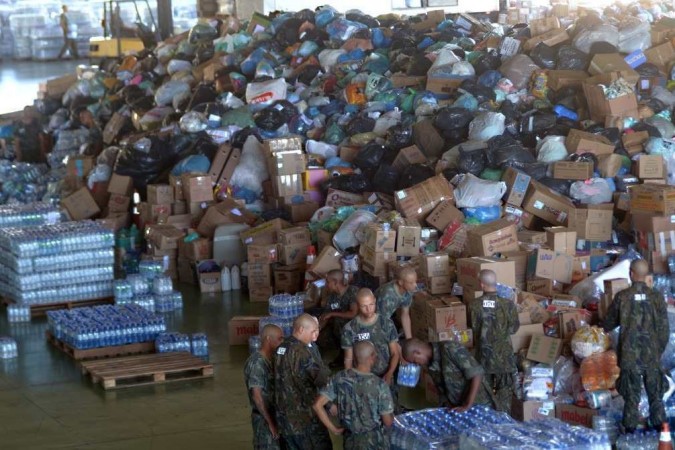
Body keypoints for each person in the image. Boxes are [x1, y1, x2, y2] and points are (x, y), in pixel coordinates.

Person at [603, 259, 670, 433]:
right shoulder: (656, 297)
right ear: (646, 275)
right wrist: (657, 351)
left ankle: (630, 432)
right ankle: (661, 430)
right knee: (656, 395)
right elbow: (664, 330)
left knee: (631, 396)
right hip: (651, 354)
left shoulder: (622, 297)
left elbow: (608, 323)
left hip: (629, 354)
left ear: (631, 273)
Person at [313, 341, 394, 450]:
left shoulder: (339, 377)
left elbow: (317, 405)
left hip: (350, 439)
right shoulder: (379, 385)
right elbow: (387, 421)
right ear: (371, 357)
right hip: (375, 440)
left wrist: (334, 429)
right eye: (375, 354)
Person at [274, 314, 333, 449]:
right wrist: (330, 403)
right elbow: (322, 380)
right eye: (313, 331)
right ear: (301, 329)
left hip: (285, 420)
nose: (315, 336)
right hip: (305, 420)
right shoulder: (303, 352)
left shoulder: (280, 349)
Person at [468, 269, 519, 413]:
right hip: (504, 356)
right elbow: (514, 328)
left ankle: (486, 420)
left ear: (481, 284)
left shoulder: (474, 305)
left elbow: (473, 327)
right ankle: (503, 421)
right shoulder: (508, 305)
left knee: (484, 393)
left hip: (483, 356)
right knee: (505, 392)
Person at [401, 338, 494, 412]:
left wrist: (467, 405)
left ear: (417, 353)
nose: (416, 364)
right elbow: (442, 390)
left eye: (414, 361)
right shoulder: (430, 365)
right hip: (460, 409)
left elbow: (477, 374)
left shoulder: (449, 348)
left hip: (479, 405)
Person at [341, 289, 400, 405]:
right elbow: (348, 358)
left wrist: (389, 374)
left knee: (391, 410)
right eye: (364, 306)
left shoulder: (386, 324)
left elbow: (395, 353)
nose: (369, 309)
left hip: (385, 375)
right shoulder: (350, 329)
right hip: (362, 379)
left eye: (371, 304)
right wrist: (350, 380)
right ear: (357, 306)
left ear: (375, 301)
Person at [244, 324, 284, 450]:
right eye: (279, 338)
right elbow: (257, 397)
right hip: (264, 419)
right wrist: (270, 423)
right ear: (268, 339)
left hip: (275, 415)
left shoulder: (272, 359)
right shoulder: (257, 363)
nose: (282, 342)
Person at [317, 270, 358, 368]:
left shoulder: (352, 291)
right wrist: (316, 330)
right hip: (340, 329)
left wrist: (332, 314)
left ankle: (348, 355)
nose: (326, 284)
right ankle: (342, 352)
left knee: (338, 321)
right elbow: (325, 316)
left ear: (335, 282)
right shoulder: (332, 297)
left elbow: (353, 313)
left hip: (356, 327)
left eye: (328, 282)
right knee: (322, 336)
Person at [373, 267, 417, 339]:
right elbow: (381, 322)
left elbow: (405, 315)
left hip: (386, 317)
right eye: (411, 282)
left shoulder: (408, 291)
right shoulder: (387, 296)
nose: (415, 285)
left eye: (415, 281)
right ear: (401, 283)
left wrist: (409, 340)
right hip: (375, 319)